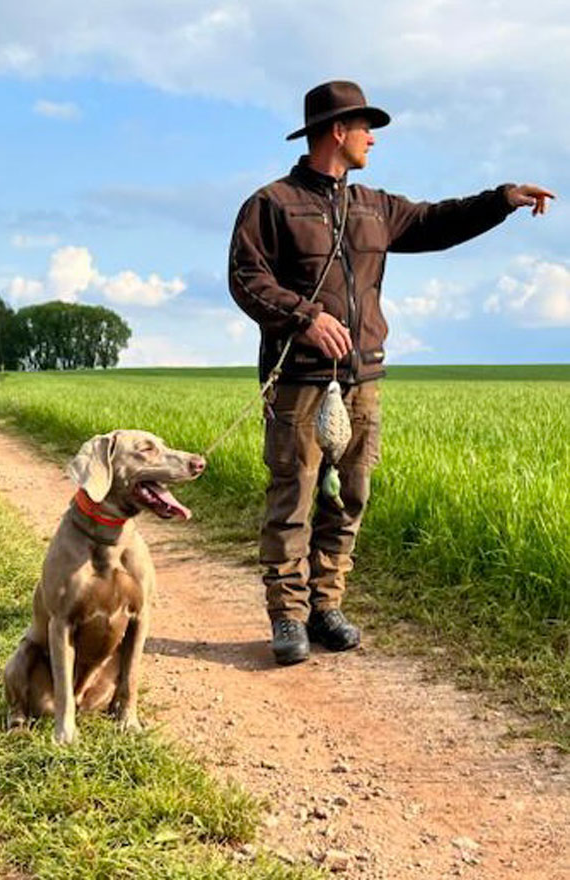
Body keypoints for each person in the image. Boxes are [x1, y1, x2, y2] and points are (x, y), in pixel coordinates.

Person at [228, 80, 554, 666]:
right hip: (300, 382)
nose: (372, 139)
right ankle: (287, 617)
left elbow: (435, 221)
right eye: (365, 128)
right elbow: (247, 279)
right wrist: (305, 319)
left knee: (349, 497)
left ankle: (326, 605)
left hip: (363, 381)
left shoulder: (374, 206)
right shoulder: (271, 204)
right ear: (338, 131)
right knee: (293, 498)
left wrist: (502, 198)